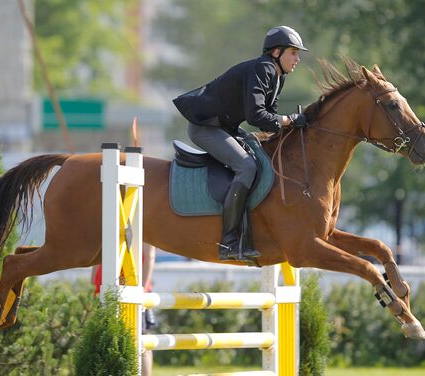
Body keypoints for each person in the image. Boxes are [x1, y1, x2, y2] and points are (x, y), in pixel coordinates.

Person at [173, 26, 309, 261]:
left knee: (260, 157)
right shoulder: (263, 68)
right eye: (293, 53)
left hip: (225, 127)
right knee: (246, 166)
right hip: (205, 127)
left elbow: (269, 118)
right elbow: (257, 116)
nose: (297, 59)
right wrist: (290, 120)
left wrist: (290, 127)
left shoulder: (277, 77)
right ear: (276, 52)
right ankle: (229, 241)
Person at [91, 243, 157, 376]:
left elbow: (150, 256)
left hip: (127, 287)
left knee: (142, 341)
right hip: (108, 287)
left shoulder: (144, 224)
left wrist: (143, 288)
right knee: (112, 340)